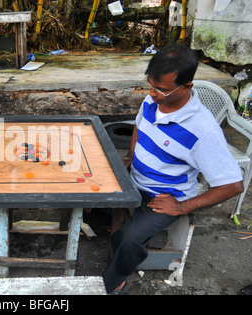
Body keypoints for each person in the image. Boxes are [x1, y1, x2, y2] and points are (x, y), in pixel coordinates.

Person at [102, 44, 244, 295]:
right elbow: (138, 127)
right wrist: (131, 156)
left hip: (164, 196)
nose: (153, 93)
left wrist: (180, 207)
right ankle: (105, 222)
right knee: (90, 187)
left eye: (162, 89)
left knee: (129, 239)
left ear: (186, 87)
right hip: (135, 177)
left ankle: (114, 282)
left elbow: (233, 185)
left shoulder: (203, 130)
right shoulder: (152, 100)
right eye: (150, 85)